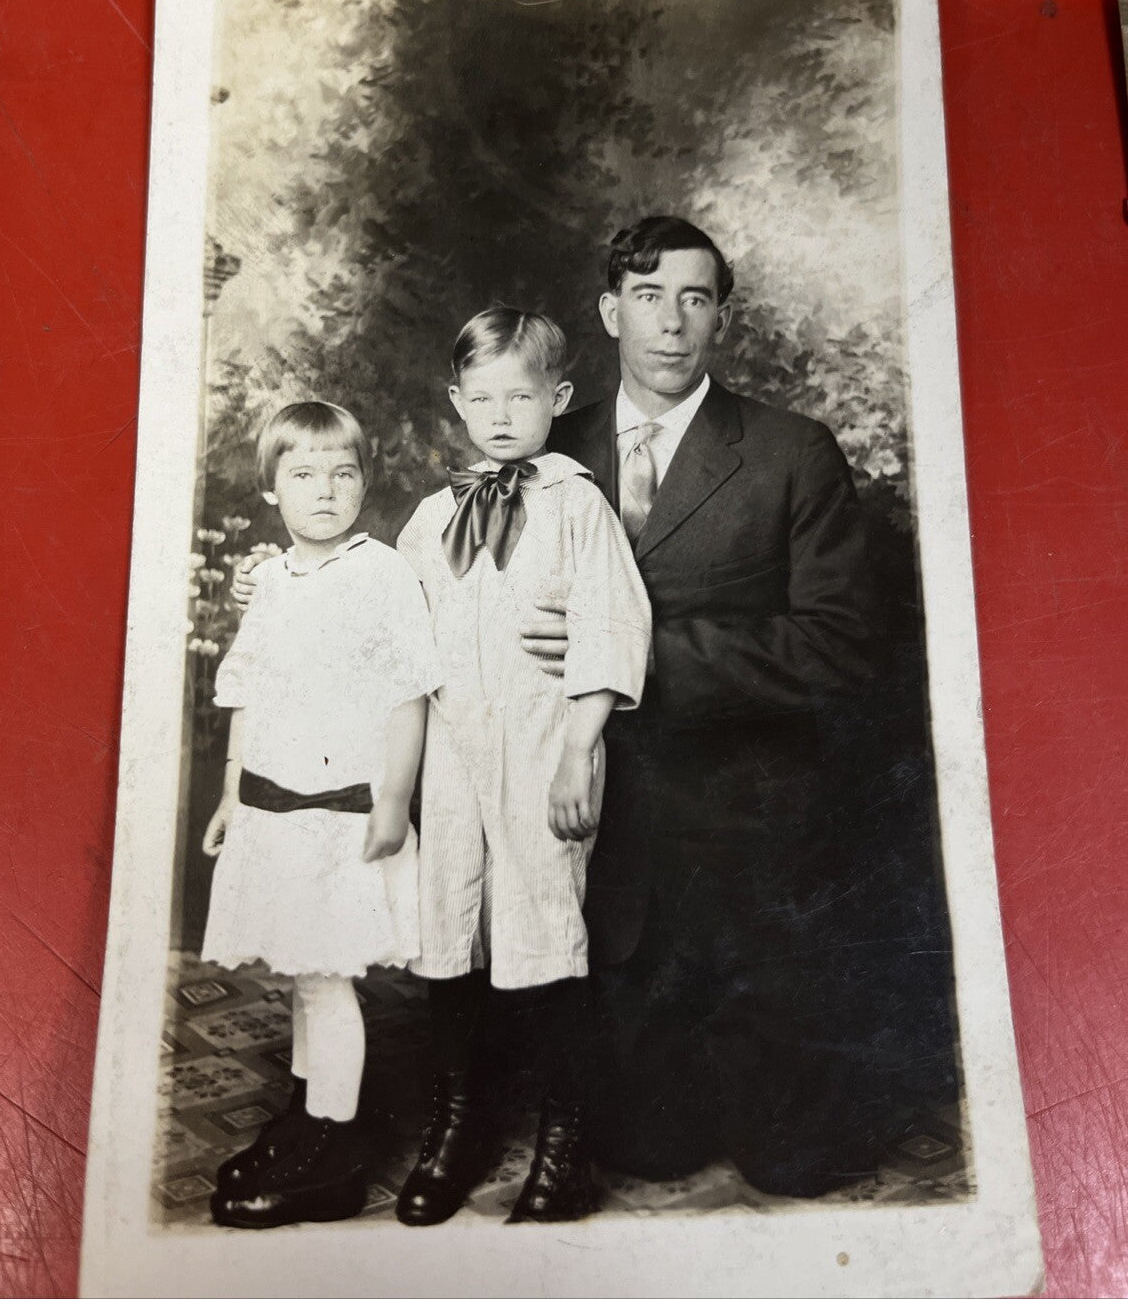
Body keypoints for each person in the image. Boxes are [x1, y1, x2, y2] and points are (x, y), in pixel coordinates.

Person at [523, 216, 878, 1198]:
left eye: (693, 298)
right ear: (607, 312)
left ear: (721, 316)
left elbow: (839, 647)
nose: (670, 324)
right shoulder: (546, 451)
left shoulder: (791, 452)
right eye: (647, 297)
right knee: (643, 1150)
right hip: (606, 836)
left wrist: (637, 658)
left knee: (794, 1167)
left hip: (753, 838)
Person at [393, 306, 652, 1226]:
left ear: (559, 398)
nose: (502, 415)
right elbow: (398, 646)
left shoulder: (577, 504)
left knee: (545, 931)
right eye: (484, 397)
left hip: (544, 748)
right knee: (450, 928)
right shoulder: (432, 518)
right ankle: (455, 1133)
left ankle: (563, 1145)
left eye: (523, 395)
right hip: (451, 757)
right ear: (457, 403)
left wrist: (582, 749)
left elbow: (615, 627)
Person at [201, 400, 440, 1229]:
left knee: (328, 977)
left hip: (343, 814)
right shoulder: (269, 577)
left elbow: (409, 695)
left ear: (366, 481)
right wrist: (233, 793)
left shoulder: (379, 574)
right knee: (303, 974)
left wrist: (396, 800)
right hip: (275, 806)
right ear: (270, 489)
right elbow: (251, 693)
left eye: (343, 473)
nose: (325, 490)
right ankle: (308, 1116)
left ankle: (335, 1149)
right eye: (302, 475)